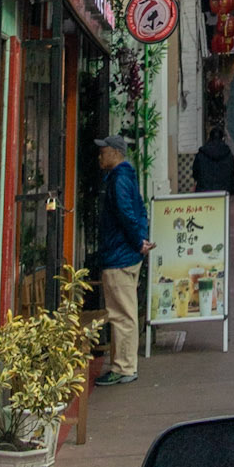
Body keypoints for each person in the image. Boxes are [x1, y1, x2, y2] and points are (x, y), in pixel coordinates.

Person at [94, 134, 148, 384]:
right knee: (123, 312)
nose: (100, 156)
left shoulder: (118, 180)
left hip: (119, 255)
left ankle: (125, 367)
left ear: (115, 153)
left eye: (103, 151)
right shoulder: (127, 177)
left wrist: (138, 241)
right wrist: (142, 239)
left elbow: (126, 213)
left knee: (121, 314)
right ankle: (122, 364)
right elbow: (139, 209)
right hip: (127, 252)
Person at [194, 125, 234, 196]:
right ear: (222, 138)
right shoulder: (227, 153)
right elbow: (232, 173)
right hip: (224, 191)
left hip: (204, 191)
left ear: (210, 137)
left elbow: (195, 172)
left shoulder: (201, 153)